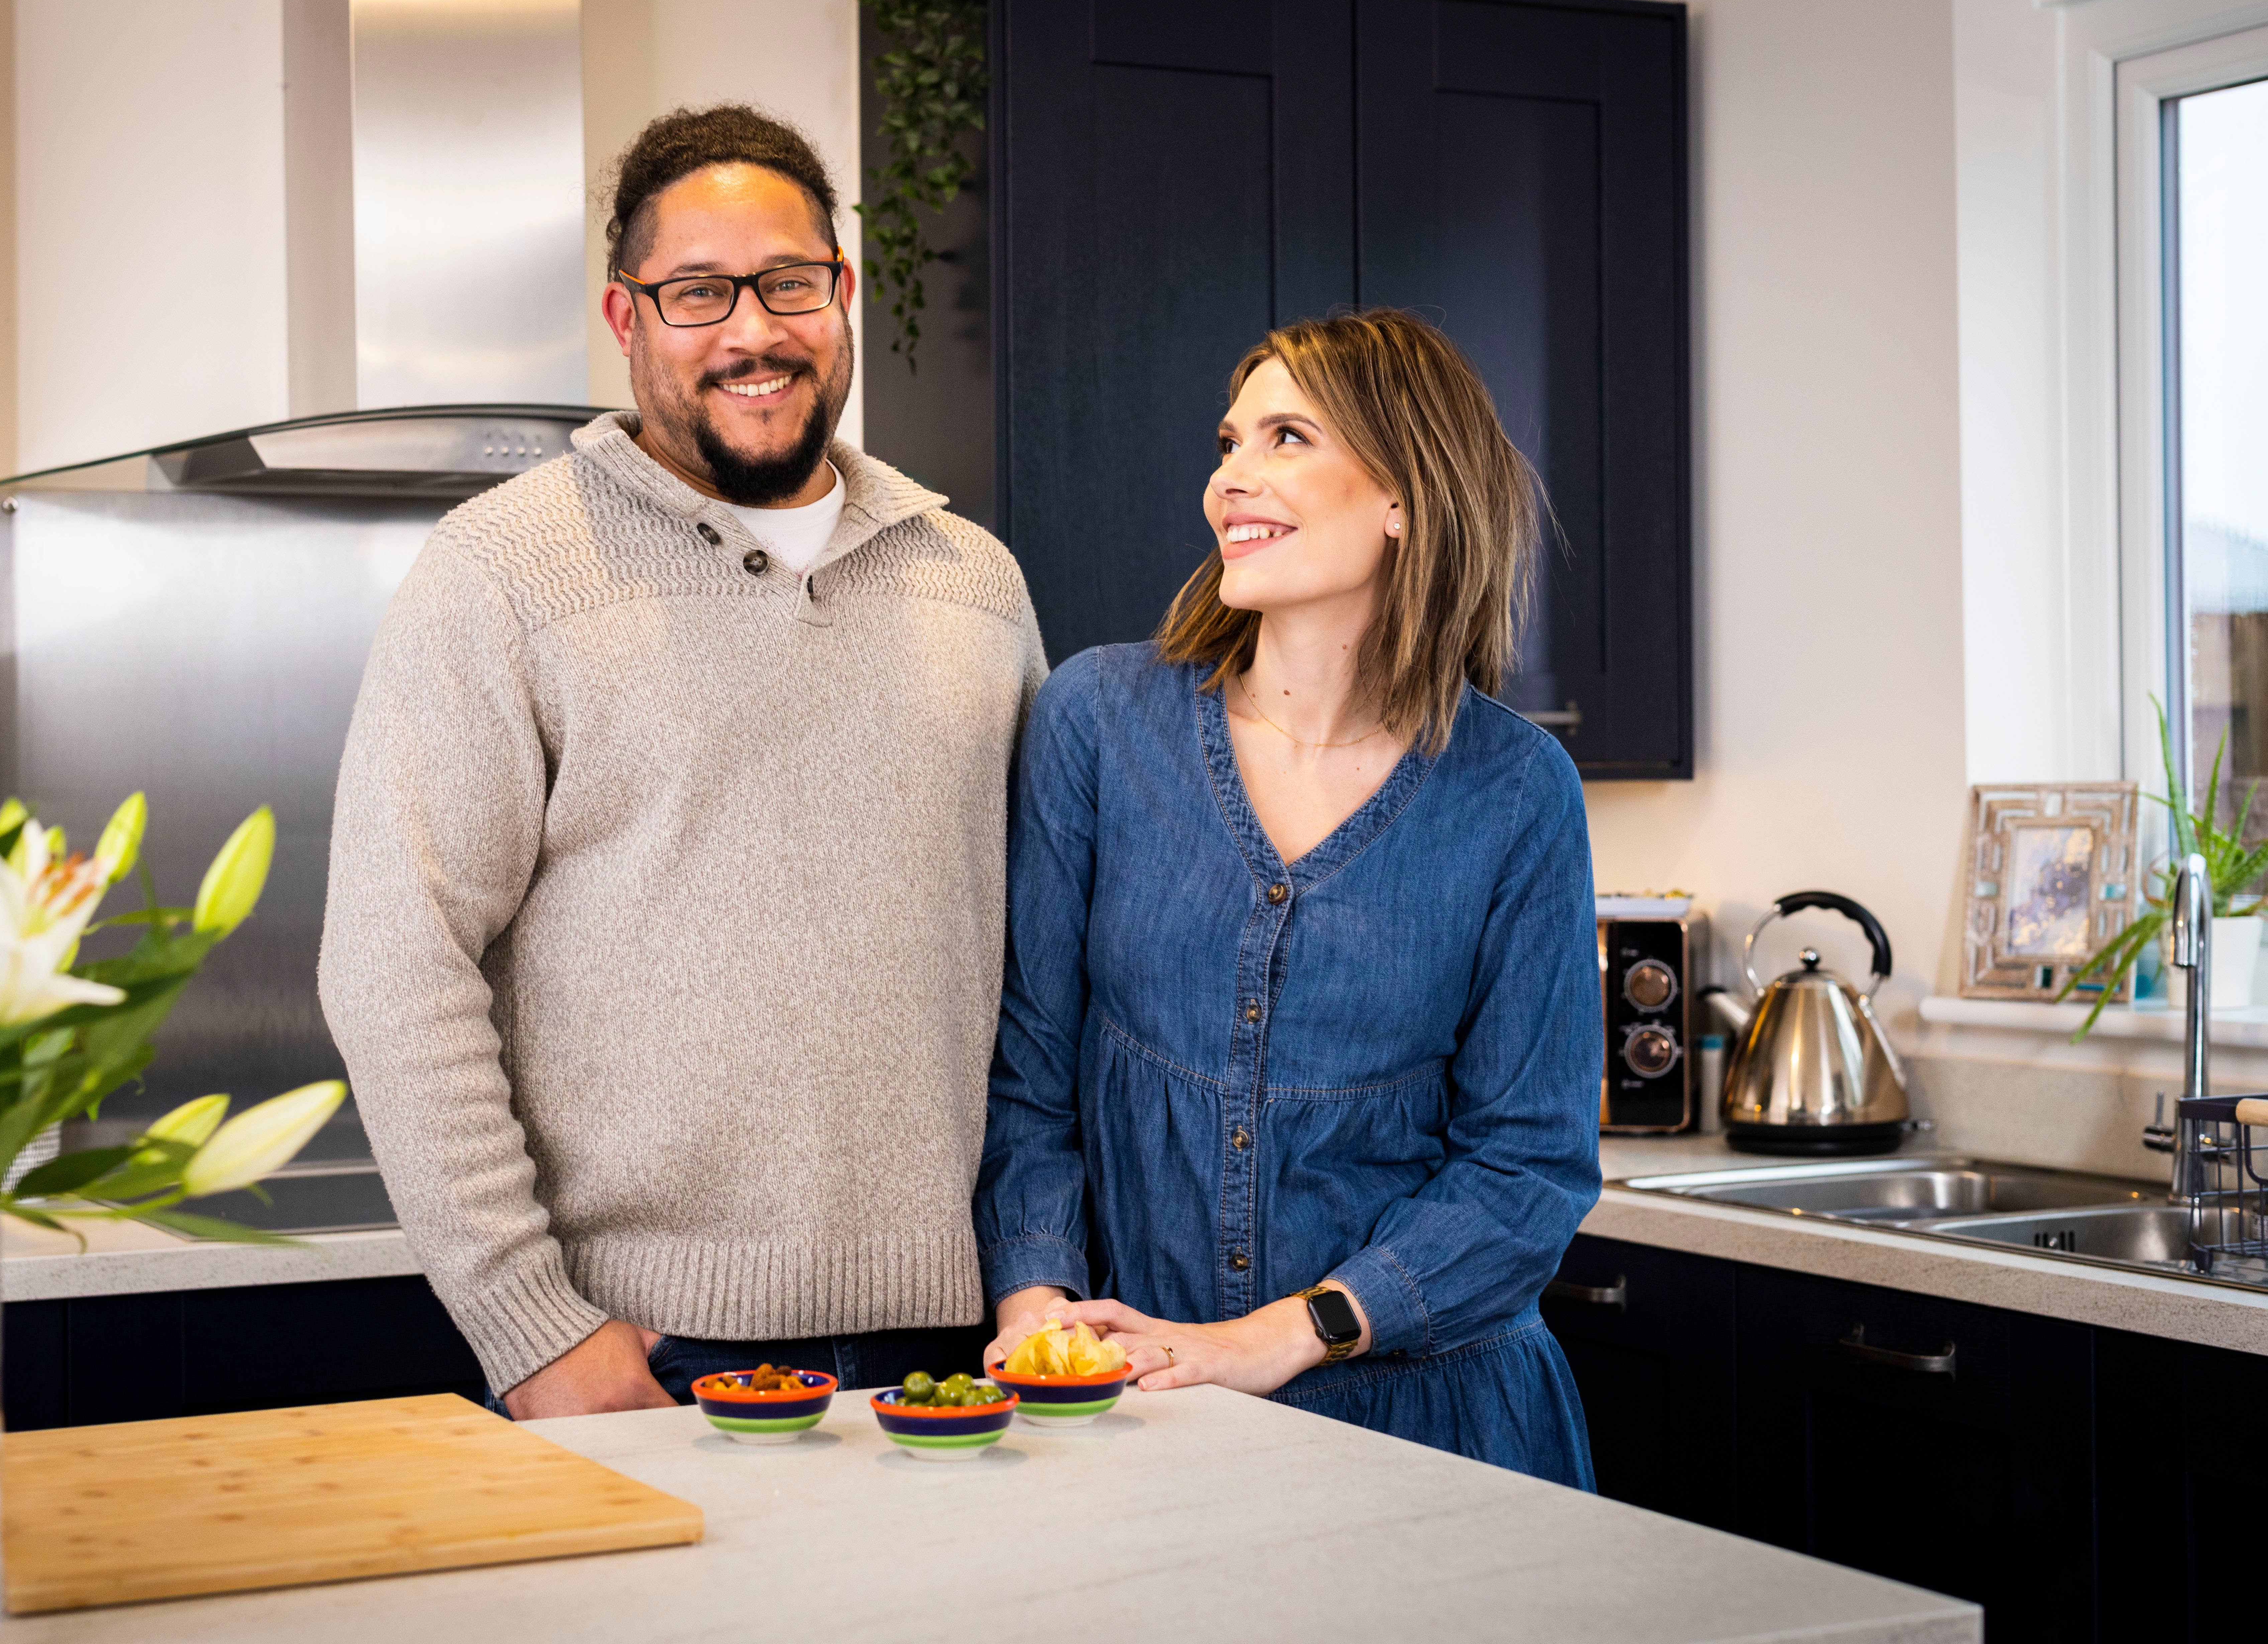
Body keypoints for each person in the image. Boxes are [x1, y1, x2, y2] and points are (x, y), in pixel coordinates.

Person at [322, 105, 1045, 1418]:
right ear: (627, 318)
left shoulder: (977, 583)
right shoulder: (499, 575)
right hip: (646, 1351)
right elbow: (392, 962)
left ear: (843, 293)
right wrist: (534, 1328)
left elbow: (1048, 978)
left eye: (788, 284)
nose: (753, 331)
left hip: (966, 1334)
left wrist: (1040, 1268)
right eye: (698, 292)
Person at [973, 307, 1601, 1486]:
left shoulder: (1517, 792)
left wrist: (1276, 1340)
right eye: (1229, 442)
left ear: (1406, 495)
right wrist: (1034, 1309)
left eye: (1286, 438)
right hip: (1141, 1416)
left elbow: (1529, 1173)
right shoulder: (1101, 725)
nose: (1230, 480)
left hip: (1439, 1431)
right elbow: (1029, 1078)